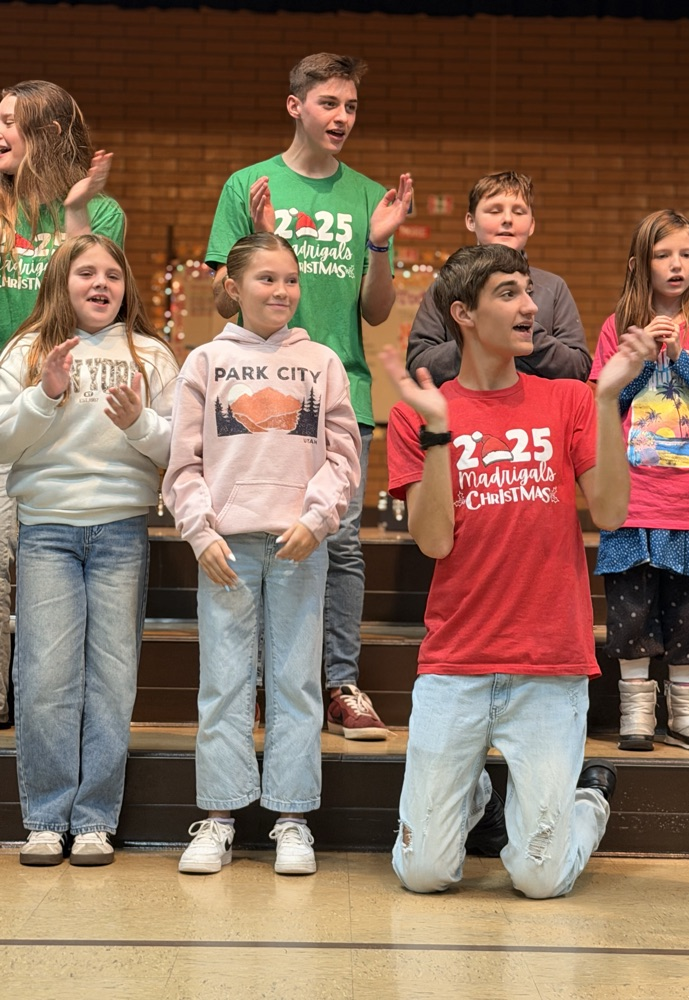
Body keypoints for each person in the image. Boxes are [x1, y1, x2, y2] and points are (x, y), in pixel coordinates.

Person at [383, 242, 652, 899]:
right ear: (464, 313)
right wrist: (441, 434)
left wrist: (610, 396)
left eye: (528, 290)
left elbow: (613, 512)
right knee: (422, 874)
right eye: (509, 293)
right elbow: (435, 542)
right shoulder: (415, 414)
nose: (531, 306)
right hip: (456, 663)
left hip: (549, 665)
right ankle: (466, 788)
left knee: (540, 880)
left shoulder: (569, 401)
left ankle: (584, 802)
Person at [205, 53, 412, 740]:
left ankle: (339, 684)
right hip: (258, 393)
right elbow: (219, 299)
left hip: (343, 390)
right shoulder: (248, 184)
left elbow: (377, 311)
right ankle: (266, 683)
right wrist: (257, 239)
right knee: (266, 539)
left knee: (341, 542)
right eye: (329, 103)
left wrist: (379, 247)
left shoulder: (367, 195)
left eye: (351, 106)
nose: (342, 118)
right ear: (295, 105)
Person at [164, 233, 360, 876]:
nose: (281, 292)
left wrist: (317, 516)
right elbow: (183, 464)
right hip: (226, 546)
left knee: (296, 682)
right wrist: (200, 532)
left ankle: (292, 817)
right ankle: (218, 817)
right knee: (223, 682)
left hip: (300, 544)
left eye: (291, 280)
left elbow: (343, 457)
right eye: (267, 280)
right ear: (235, 286)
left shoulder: (323, 362)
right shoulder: (204, 362)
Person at [0, 234, 178, 866]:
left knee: (111, 678)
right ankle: (46, 820)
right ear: (60, 282)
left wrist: (139, 422)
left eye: (113, 274)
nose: (101, 283)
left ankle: (95, 820)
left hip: (123, 531)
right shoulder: (27, 351)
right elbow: (2, 442)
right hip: (47, 529)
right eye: (86, 273)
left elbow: (179, 450)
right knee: (46, 679)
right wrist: (44, 396)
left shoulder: (151, 354)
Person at [590, 209, 689, 752]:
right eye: (663, 255)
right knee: (630, 610)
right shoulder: (617, 327)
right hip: (632, 499)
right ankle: (636, 709)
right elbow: (603, 403)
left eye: (685, 254)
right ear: (641, 265)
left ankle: (686, 711)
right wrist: (638, 358)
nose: (675, 264)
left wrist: (681, 359)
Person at [0, 79, 125, 728]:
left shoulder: (99, 214)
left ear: (48, 133)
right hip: (6, 400)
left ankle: (54, 708)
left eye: (11, 121)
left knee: (50, 577)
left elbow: (94, 304)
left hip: (69, 412)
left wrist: (75, 216)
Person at [406, 171, 590, 386]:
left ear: (531, 224)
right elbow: (418, 366)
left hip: (535, 414)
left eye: (519, 212)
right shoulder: (445, 285)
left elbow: (578, 368)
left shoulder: (553, 287)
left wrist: (523, 333)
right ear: (471, 221)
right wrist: (481, 340)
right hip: (463, 413)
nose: (507, 219)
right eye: (494, 210)